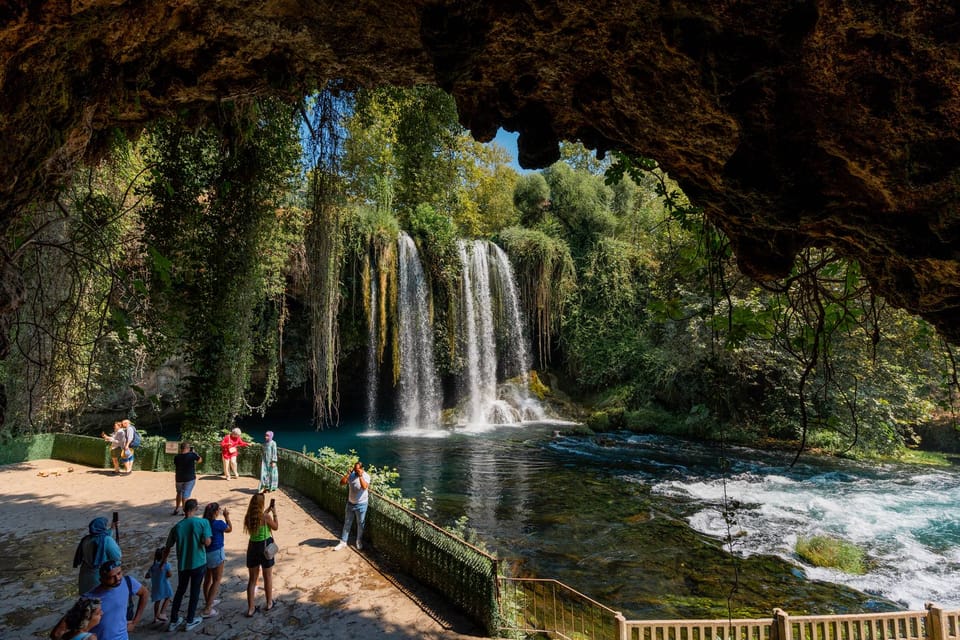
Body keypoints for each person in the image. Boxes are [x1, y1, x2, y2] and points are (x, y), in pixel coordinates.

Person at [162, 498, 212, 632]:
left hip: (183, 564)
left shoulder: (177, 527)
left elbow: (167, 547)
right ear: (195, 508)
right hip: (199, 562)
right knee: (195, 591)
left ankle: (173, 619)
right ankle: (190, 620)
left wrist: (163, 562)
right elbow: (207, 543)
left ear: (184, 510)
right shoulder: (203, 523)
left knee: (180, 591)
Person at [81, 560, 146, 640]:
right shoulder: (88, 598)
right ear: (102, 580)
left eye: (119, 573)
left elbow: (144, 593)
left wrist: (135, 622)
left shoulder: (128, 582)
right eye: (112, 577)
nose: (117, 578)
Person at [243, 492, 279, 617]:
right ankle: (269, 602)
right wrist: (274, 513)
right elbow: (275, 527)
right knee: (267, 576)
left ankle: (251, 608)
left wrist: (267, 510)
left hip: (252, 547)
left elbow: (259, 517)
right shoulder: (266, 517)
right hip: (265, 547)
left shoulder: (248, 517)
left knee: (252, 579)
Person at [73, 517, 122, 596]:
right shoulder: (106, 540)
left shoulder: (86, 539)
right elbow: (117, 556)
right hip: (99, 576)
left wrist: (112, 528)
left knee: (87, 599)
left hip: (85, 576)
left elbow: (101, 538)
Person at [201, 501, 232, 618]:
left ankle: (208, 600)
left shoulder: (204, 523)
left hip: (206, 553)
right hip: (217, 552)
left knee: (207, 579)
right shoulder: (218, 523)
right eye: (218, 510)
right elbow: (229, 529)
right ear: (215, 512)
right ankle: (208, 608)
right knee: (217, 579)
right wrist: (227, 517)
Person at [334, 461, 370, 551]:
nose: (356, 471)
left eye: (357, 469)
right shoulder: (352, 475)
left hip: (362, 504)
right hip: (350, 503)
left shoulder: (366, 476)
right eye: (355, 468)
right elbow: (342, 483)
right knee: (347, 523)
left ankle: (358, 541)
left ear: (362, 469)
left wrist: (360, 476)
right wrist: (348, 474)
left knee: (360, 523)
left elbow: (365, 487)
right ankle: (343, 542)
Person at [172, 441, 203, 516]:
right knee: (185, 494)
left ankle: (177, 509)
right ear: (188, 448)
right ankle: (184, 510)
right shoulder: (192, 455)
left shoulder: (177, 457)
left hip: (179, 478)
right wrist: (195, 453)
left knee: (179, 493)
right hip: (189, 478)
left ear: (181, 449)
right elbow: (200, 460)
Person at [144, 547, 172, 624]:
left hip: (155, 586)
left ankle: (155, 617)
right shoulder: (166, 565)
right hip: (165, 585)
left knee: (157, 601)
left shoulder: (153, 567)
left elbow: (146, 576)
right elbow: (170, 575)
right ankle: (162, 613)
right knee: (168, 597)